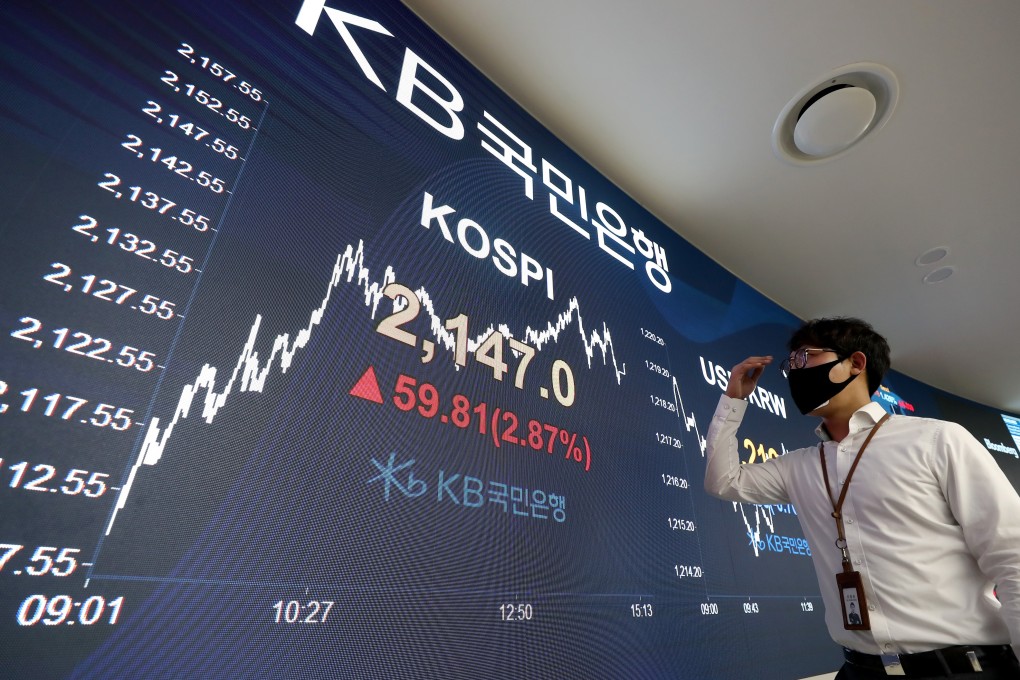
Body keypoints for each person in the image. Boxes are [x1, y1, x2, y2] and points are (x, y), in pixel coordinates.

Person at [705, 317, 1020, 679]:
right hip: (860, 668)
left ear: (856, 363)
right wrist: (733, 400)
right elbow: (723, 481)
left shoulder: (938, 440)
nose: (795, 373)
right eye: (790, 365)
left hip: (963, 667)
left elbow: (1012, 555)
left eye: (806, 358)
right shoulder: (801, 466)